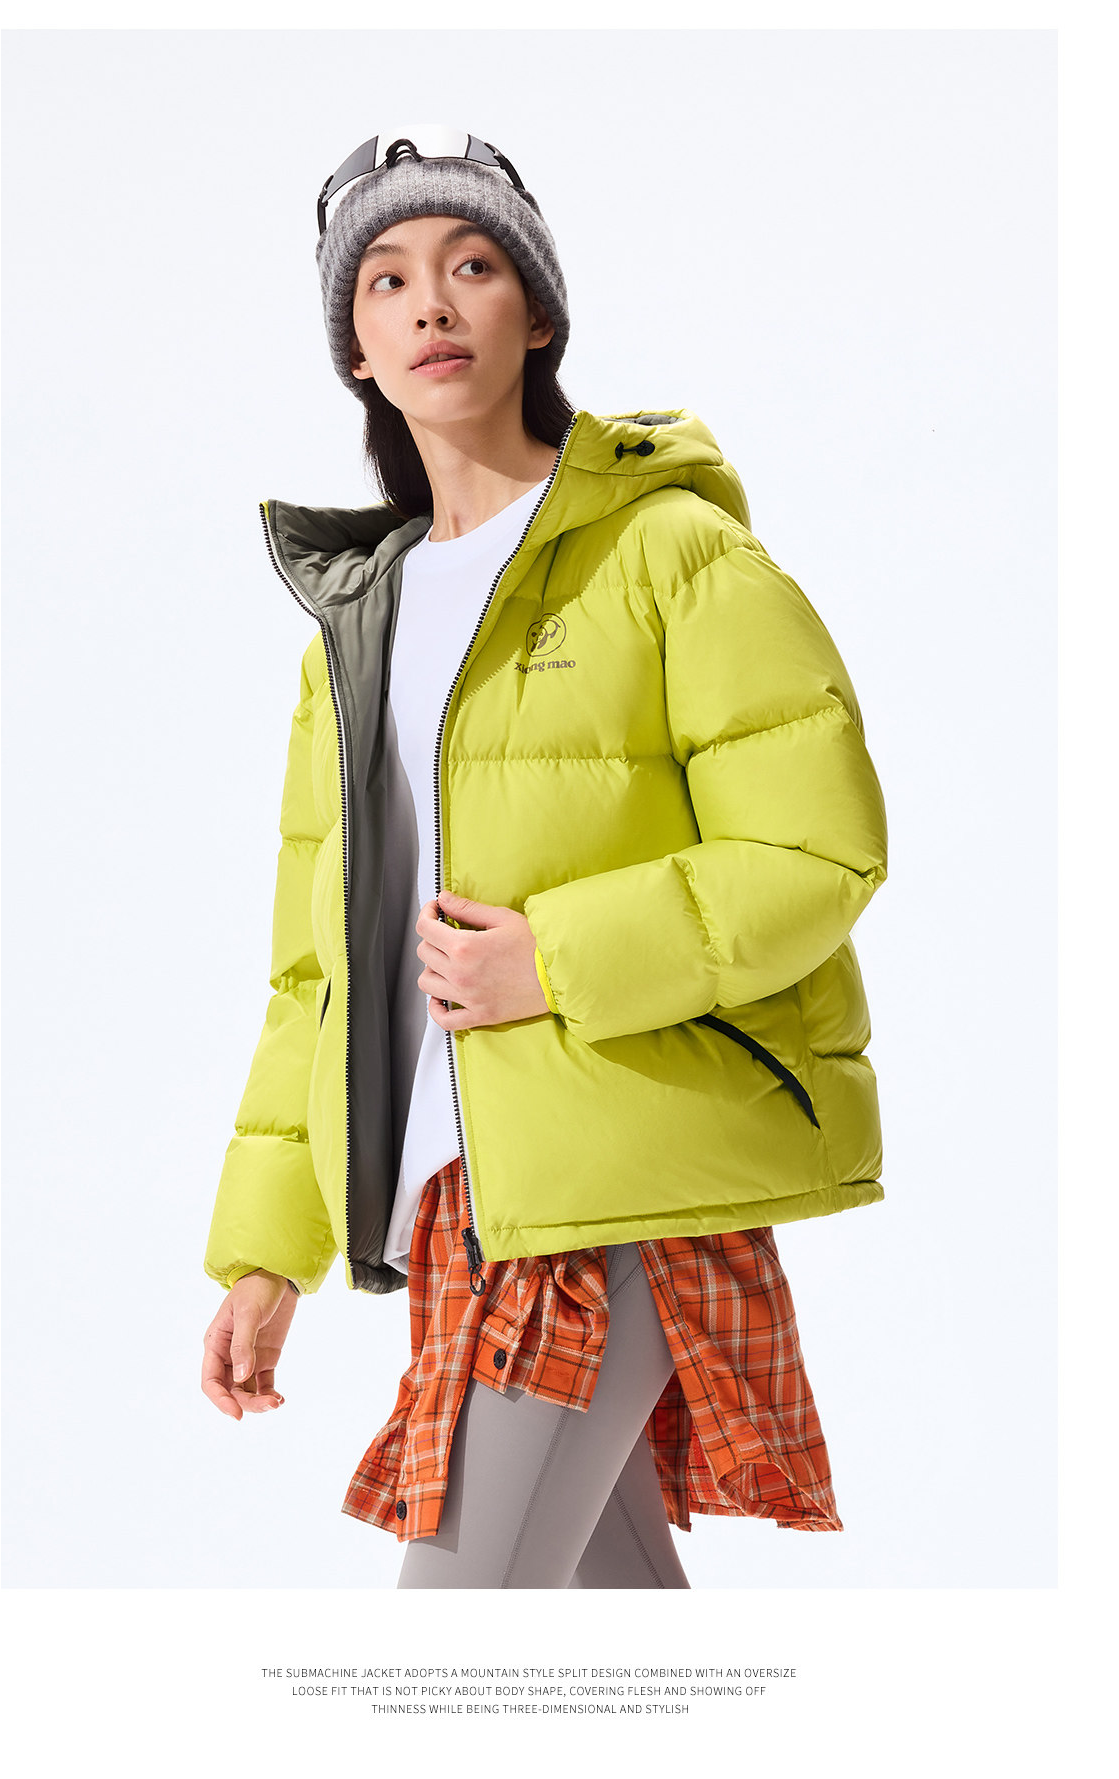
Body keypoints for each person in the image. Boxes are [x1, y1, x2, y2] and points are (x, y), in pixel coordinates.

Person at [200, 129, 889, 1589]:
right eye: (387, 281)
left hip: (618, 1173)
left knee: (465, 1639)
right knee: (596, 1631)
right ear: (358, 353)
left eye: (473, 265)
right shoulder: (356, 633)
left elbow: (815, 851)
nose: (431, 303)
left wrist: (555, 962)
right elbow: (318, 974)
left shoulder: (673, 555)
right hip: (460, 1200)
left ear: (539, 317)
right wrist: (269, 1249)